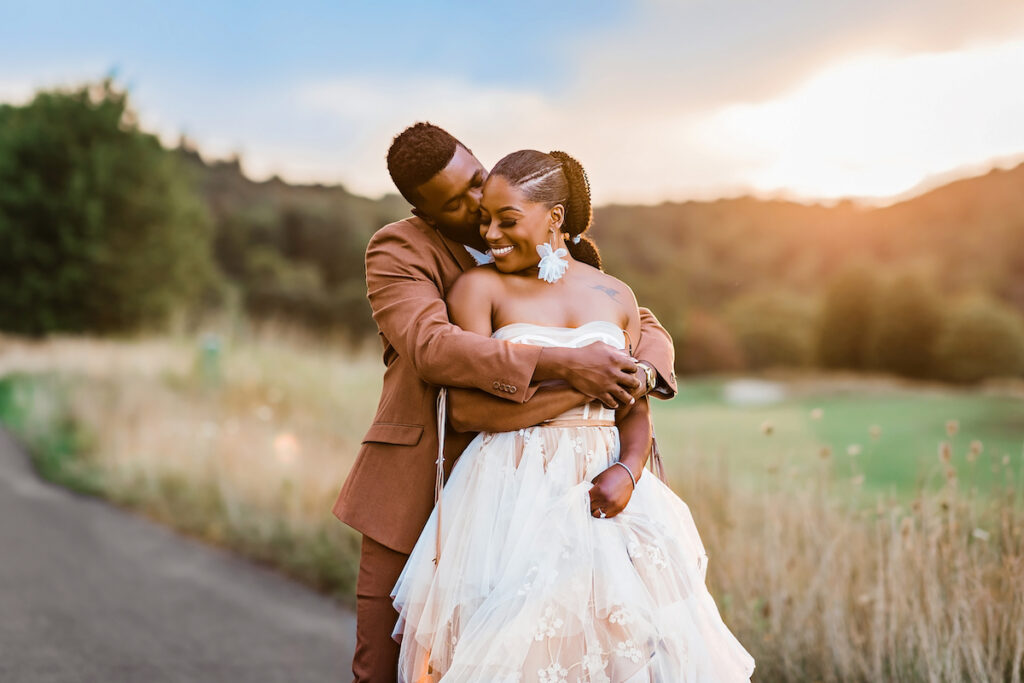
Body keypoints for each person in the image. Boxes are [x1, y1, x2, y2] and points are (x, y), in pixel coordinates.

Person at [390, 150, 755, 681]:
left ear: (555, 218)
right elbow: (467, 409)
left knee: (619, 647)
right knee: (519, 652)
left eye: (506, 220)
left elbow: (635, 406)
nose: (489, 233)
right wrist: (583, 383)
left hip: (607, 490)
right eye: (486, 219)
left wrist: (628, 471)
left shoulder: (615, 294)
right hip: (509, 496)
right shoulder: (478, 289)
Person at [332, 123, 679, 682]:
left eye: (475, 180)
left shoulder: (542, 235)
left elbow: (640, 321)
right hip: (423, 481)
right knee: (386, 666)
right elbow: (432, 347)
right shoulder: (399, 248)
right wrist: (571, 370)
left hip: (549, 501)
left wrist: (640, 373)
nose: (476, 206)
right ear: (423, 212)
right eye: (455, 202)